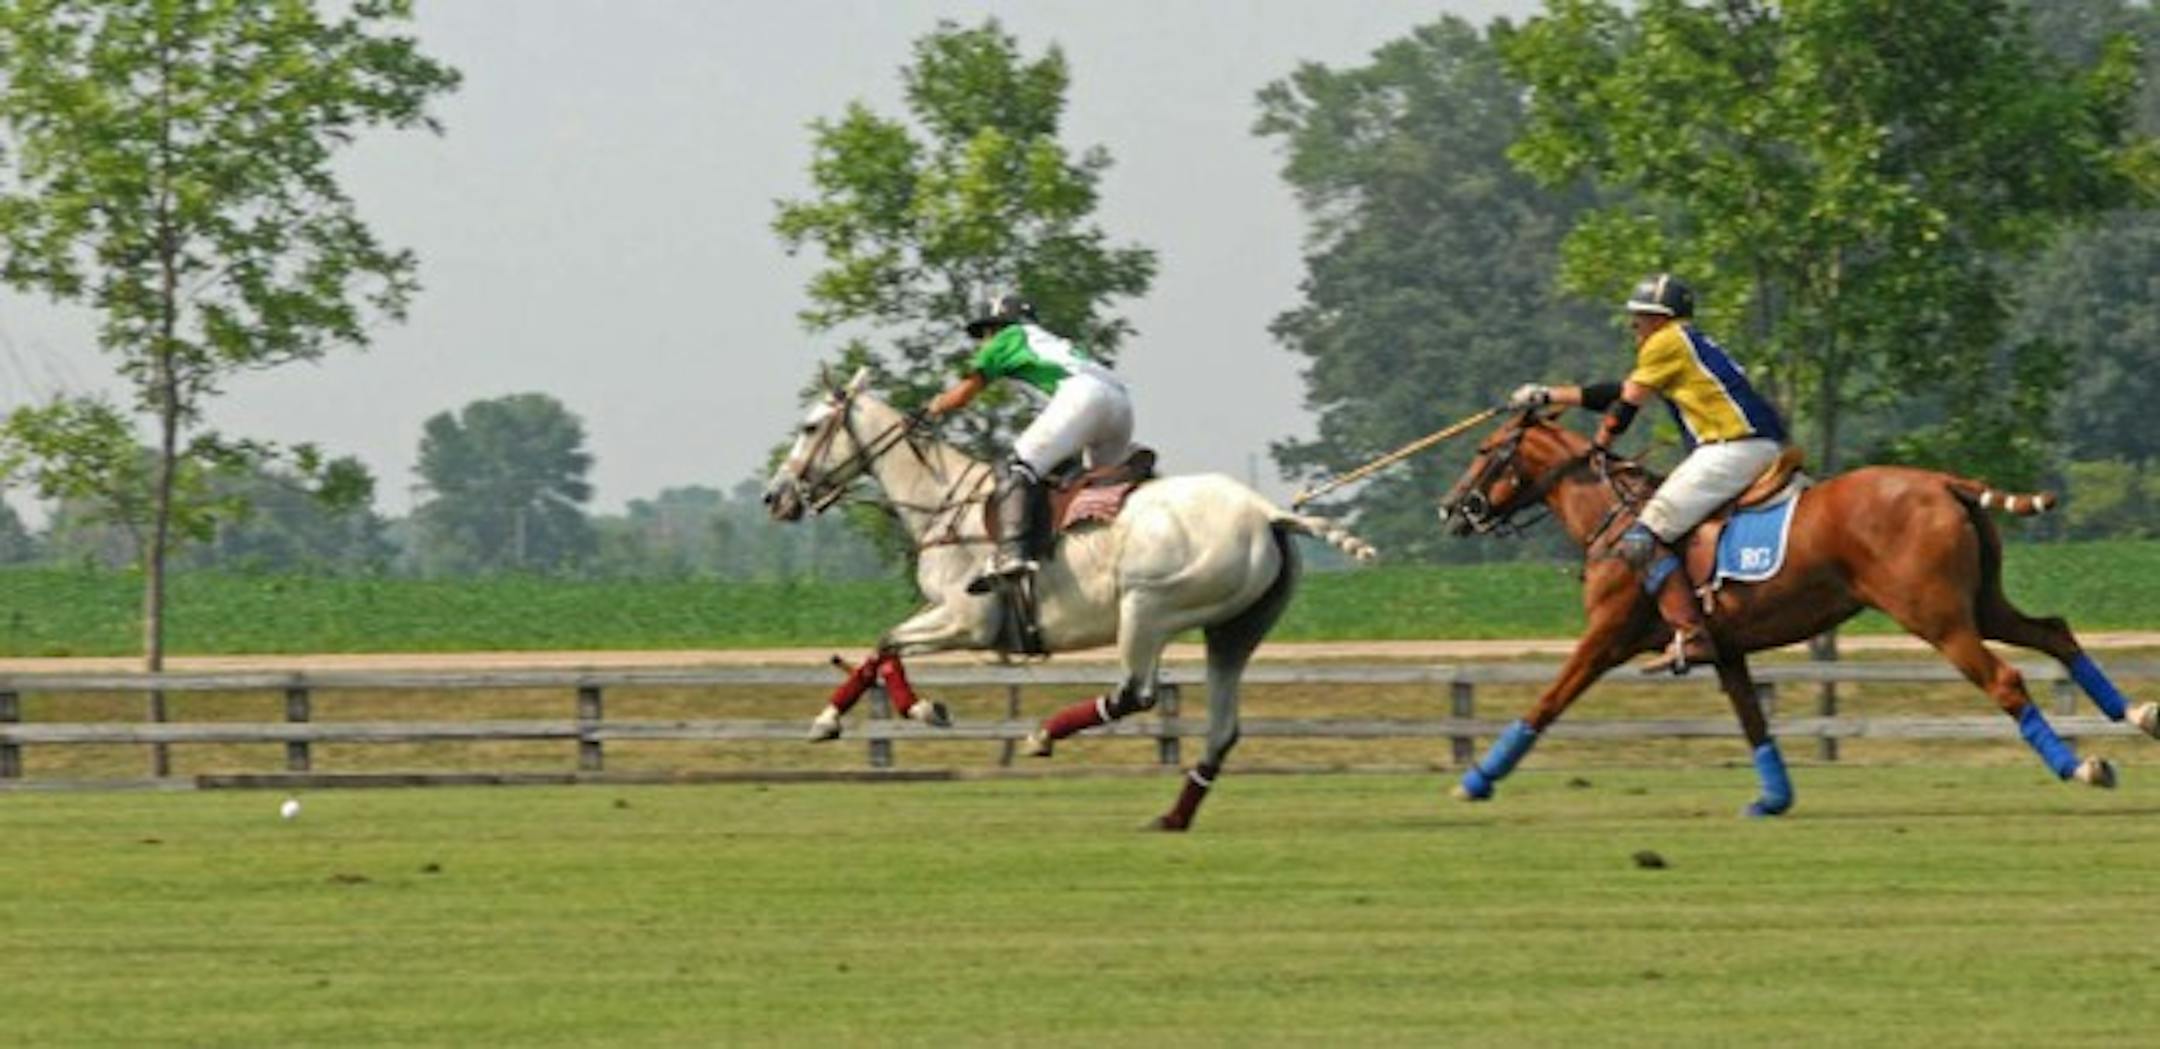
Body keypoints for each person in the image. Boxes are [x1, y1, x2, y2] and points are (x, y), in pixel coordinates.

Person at [1506, 273, 1789, 673]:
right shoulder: (1686, 342)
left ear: (1659, 318)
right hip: (1758, 444)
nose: (1633, 328)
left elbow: (1626, 405)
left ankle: (1690, 633)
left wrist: (1600, 445)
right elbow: (1620, 390)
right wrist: (1549, 395)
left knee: (1640, 537)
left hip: (1733, 447)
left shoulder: (1664, 341)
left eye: (1638, 319)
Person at [925, 292, 1136, 591]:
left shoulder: (1008, 337)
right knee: (1097, 495)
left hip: (1084, 397)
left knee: (1017, 467)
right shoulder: (1050, 341)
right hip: (1121, 403)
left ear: (996, 327)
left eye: (984, 333)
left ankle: (1012, 553)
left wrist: (932, 407)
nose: (983, 342)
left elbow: (962, 396)